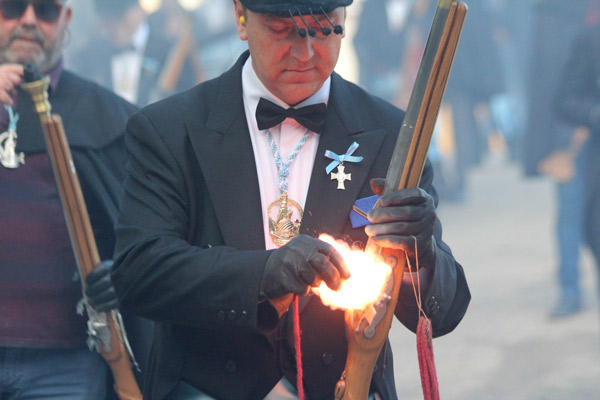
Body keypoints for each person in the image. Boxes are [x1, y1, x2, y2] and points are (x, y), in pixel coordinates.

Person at [111, 1, 471, 399]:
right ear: (241, 18)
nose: (305, 53)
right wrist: (263, 274)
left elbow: (441, 312)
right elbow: (139, 271)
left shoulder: (391, 133)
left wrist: (420, 255)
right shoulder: (167, 129)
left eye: (323, 28)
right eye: (282, 31)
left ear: (344, 20)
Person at [0, 0, 140, 398]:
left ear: (66, 19)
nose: (29, 20)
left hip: (67, 363)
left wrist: (123, 270)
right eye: (13, 7)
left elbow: (150, 233)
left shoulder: (111, 117)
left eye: (45, 10)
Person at [521, 0, 591, 317]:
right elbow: (547, 83)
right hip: (573, 133)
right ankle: (569, 288)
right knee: (571, 212)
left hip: (576, 127)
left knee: (574, 214)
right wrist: (559, 145)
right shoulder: (553, 18)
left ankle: (570, 289)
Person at [69, 0, 201, 107]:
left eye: (120, 17)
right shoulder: (88, 56)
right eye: (107, 19)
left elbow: (189, 102)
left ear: (139, 11)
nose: (114, 26)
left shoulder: (169, 53)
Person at [554, 21, 600, 312]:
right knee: (579, 218)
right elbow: (564, 98)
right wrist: (594, 113)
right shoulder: (590, 38)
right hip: (587, 147)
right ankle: (569, 288)